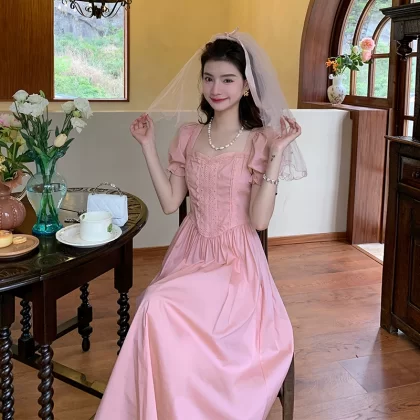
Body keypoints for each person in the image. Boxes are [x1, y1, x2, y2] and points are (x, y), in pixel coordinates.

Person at [95, 29, 307, 420]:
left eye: (227, 79)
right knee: (156, 305)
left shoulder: (261, 140)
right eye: (209, 78)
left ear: (246, 86)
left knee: (160, 306)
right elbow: (170, 203)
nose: (216, 88)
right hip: (191, 251)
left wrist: (277, 153)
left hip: (236, 265)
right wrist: (147, 146)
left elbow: (259, 220)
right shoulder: (188, 135)